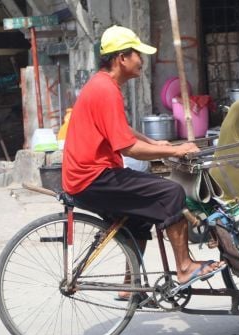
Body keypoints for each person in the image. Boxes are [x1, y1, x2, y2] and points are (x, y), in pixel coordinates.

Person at [62, 25, 225, 301]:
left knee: (138, 220)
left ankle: (130, 285)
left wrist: (157, 144)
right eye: (137, 54)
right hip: (93, 178)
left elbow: (121, 130)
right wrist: (174, 152)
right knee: (170, 192)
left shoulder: (103, 85)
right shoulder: (105, 90)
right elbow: (127, 147)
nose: (141, 60)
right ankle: (185, 267)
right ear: (121, 58)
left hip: (89, 176)